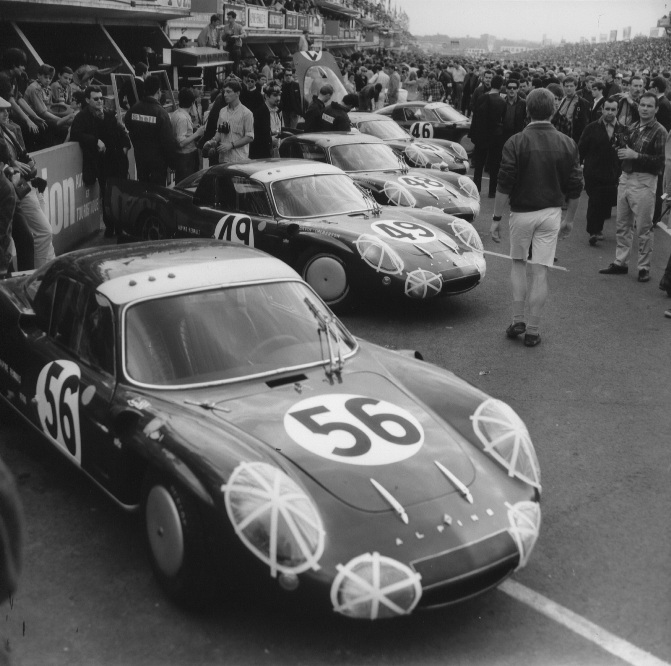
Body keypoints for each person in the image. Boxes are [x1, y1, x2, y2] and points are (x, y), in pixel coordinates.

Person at [492, 87, 583, 347]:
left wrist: (496, 218)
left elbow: (504, 183)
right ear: (553, 111)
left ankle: (517, 318)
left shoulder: (515, 141)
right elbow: (576, 186)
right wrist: (570, 219)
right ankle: (533, 329)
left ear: (528, 110)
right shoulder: (568, 142)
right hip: (551, 212)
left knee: (519, 264)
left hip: (522, 212)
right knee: (541, 270)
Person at [599, 92, 667, 283]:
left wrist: (635, 155)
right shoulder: (633, 126)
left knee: (644, 227)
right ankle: (621, 262)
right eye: (642, 105)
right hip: (626, 177)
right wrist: (619, 148)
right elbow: (622, 150)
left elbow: (660, 162)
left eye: (649, 106)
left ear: (656, 109)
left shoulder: (660, 131)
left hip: (645, 180)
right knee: (622, 224)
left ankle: (644, 267)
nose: (645, 109)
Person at [0, 98, 56, 269]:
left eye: (7, 110)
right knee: (21, 240)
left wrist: (24, 166)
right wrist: (9, 169)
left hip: (18, 190)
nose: (6, 113)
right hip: (9, 192)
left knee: (28, 238)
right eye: (1, 110)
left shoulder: (9, 129)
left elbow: (20, 155)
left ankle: (31, 277)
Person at [70, 86, 131, 237]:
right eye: (96, 99)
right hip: (102, 163)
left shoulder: (109, 114)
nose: (99, 101)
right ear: (87, 100)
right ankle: (110, 227)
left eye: (101, 98)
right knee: (107, 195)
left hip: (118, 160)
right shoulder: (82, 117)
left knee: (120, 195)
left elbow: (121, 132)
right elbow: (75, 134)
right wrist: (95, 140)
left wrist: (125, 147)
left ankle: (120, 227)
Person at [578, 97, 625, 246]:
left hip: (613, 173)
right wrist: (578, 167)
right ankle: (593, 231)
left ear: (617, 111)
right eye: (607, 109)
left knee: (606, 201)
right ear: (602, 109)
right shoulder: (591, 128)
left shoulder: (622, 129)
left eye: (613, 109)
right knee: (595, 201)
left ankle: (598, 227)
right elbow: (581, 149)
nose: (610, 112)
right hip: (594, 172)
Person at [125, 75, 178, 186]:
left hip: (140, 160)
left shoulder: (133, 110)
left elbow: (128, 126)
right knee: (157, 192)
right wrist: (173, 163)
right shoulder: (161, 113)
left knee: (144, 188)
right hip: (158, 164)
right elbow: (168, 141)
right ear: (158, 91)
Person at [471, 74, 507, 197]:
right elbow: (503, 119)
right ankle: (492, 191)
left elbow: (475, 118)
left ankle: (477, 188)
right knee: (494, 165)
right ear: (501, 86)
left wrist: (474, 135)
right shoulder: (502, 101)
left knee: (479, 165)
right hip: (496, 136)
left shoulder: (482, 98)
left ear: (491, 84)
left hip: (482, 135)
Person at [202, 79, 254, 165]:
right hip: (223, 159)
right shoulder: (222, 111)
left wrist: (231, 145)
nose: (225, 94)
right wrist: (212, 141)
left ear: (237, 93)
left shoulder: (247, 113)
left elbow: (249, 137)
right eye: (224, 92)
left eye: (228, 92)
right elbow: (219, 132)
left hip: (239, 160)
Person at [23, 64, 74, 146]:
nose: (48, 80)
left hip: (42, 115)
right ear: (39, 75)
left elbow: (50, 107)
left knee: (68, 124)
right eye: (46, 77)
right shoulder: (34, 88)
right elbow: (42, 112)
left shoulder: (48, 88)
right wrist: (60, 119)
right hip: (32, 117)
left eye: (50, 78)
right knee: (60, 126)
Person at [170, 88, 205, 183]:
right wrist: (197, 133)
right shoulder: (183, 118)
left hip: (180, 156)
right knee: (187, 184)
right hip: (186, 157)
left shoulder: (176, 113)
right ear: (192, 103)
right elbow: (181, 142)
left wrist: (192, 127)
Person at [552, 76, 589, 143]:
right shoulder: (562, 100)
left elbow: (584, 124)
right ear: (563, 87)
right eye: (566, 86)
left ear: (576, 87)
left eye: (571, 86)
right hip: (560, 137)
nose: (569, 88)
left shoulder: (582, 102)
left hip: (574, 138)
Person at [249, 84, 282, 158]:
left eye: (279, 95)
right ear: (266, 96)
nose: (278, 98)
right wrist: (270, 140)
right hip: (262, 156)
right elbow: (254, 136)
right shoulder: (259, 113)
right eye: (275, 95)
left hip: (274, 153)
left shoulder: (276, 111)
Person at [501, 78, 527, 144]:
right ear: (506, 89)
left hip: (517, 137)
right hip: (503, 136)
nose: (512, 89)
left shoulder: (523, 103)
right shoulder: (501, 102)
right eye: (509, 87)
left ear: (517, 89)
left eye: (514, 88)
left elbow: (526, 119)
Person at [223, 11, 245, 76]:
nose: (228, 19)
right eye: (227, 18)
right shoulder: (225, 27)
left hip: (236, 48)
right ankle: (227, 80)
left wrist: (238, 36)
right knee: (228, 68)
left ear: (234, 18)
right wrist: (226, 34)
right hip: (228, 48)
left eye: (229, 18)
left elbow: (244, 34)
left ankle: (236, 80)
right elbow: (222, 38)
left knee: (235, 68)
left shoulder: (239, 26)